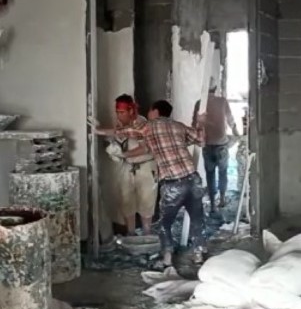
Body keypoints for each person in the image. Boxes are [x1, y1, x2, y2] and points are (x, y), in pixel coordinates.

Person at [123, 99, 207, 268]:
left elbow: (124, 131)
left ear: (155, 111)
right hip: (193, 179)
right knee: (197, 218)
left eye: (150, 110)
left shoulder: (150, 126)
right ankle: (198, 254)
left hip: (173, 183)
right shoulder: (178, 126)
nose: (148, 113)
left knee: (164, 223)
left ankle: (167, 259)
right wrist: (201, 124)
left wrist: (99, 131)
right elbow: (200, 140)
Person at [95, 94, 157, 236]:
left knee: (146, 201)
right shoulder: (120, 124)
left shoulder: (141, 123)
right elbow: (116, 136)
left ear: (131, 110)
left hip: (145, 166)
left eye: (122, 112)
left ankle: (147, 233)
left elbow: (144, 148)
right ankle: (131, 233)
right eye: (117, 112)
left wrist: (123, 155)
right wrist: (109, 143)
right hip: (128, 167)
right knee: (126, 201)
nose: (119, 115)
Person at [193, 79, 239, 211]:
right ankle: (222, 199)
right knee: (223, 173)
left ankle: (213, 204)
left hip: (207, 145)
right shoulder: (222, 101)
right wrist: (236, 134)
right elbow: (231, 120)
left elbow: (194, 124)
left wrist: (198, 138)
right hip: (221, 145)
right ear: (215, 88)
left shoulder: (200, 103)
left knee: (210, 174)